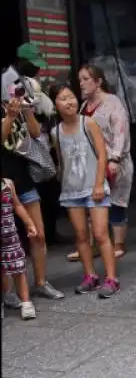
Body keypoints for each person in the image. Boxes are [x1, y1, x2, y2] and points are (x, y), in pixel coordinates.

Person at [50, 84, 119, 298]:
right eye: (63, 99)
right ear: (55, 105)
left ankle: (111, 278)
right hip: (72, 190)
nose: (69, 101)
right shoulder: (56, 132)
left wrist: (99, 184)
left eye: (71, 97)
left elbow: (101, 155)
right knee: (80, 235)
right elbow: (61, 162)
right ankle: (90, 276)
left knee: (100, 234)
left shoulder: (87, 123)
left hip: (94, 186)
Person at [0, 83, 64, 309]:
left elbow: (36, 133)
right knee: (5, 241)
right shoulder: (7, 111)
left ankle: (40, 282)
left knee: (38, 234)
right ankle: (7, 292)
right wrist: (9, 116)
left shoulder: (15, 105)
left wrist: (26, 110)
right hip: (3, 184)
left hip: (24, 180)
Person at [76, 65, 135, 260]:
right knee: (93, 203)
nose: (82, 84)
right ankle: (94, 244)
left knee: (117, 202)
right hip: (93, 162)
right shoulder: (84, 106)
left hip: (114, 160)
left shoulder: (112, 103)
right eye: (80, 80)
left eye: (86, 79)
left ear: (98, 81)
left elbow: (121, 131)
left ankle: (118, 244)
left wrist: (115, 158)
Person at [1, 177, 39, 320]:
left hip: (10, 236)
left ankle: (26, 302)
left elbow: (17, 205)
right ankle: (7, 296)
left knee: (18, 268)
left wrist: (29, 222)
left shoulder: (8, 184)